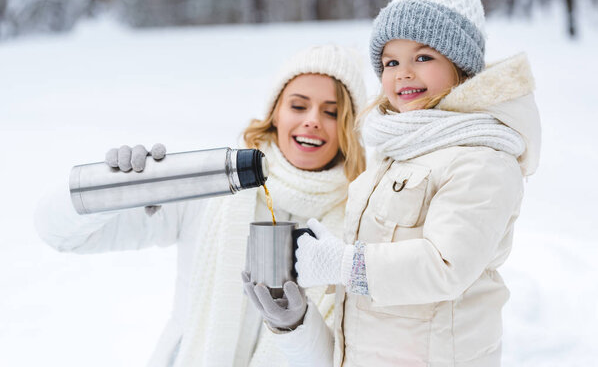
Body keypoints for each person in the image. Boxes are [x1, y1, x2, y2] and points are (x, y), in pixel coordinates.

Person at [247, 0, 542, 366]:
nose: (403, 72)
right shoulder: (400, 150)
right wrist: (305, 302)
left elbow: (445, 265)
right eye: (389, 61)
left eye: (423, 57)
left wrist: (343, 262)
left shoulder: (482, 157)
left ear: (461, 66)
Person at [34, 44, 367, 367]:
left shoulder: (362, 217)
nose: (312, 120)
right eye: (298, 105)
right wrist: (115, 188)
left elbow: (345, 359)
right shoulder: (211, 184)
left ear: (349, 127)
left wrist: (297, 326)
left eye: (332, 112)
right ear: (275, 114)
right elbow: (58, 234)